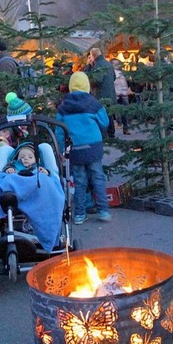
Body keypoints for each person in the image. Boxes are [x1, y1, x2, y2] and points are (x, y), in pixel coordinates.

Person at [55, 71, 112, 224]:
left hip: (75, 149)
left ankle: (80, 214)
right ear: (86, 85)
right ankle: (103, 210)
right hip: (93, 146)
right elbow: (105, 122)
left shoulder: (63, 106)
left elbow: (59, 130)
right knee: (98, 178)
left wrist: (62, 150)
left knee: (79, 182)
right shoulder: (93, 103)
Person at [85, 48, 116, 138]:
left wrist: (89, 80)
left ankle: (105, 134)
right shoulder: (108, 64)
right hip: (111, 93)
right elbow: (114, 77)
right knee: (109, 114)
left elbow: (97, 80)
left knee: (102, 115)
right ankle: (111, 134)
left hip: (101, 94)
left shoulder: (98, 65)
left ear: (93, 55)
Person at [112, 58, 131, 135]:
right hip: (116, 93)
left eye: (118, 63)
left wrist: (128, 89)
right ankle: (119, 123)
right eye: (114, 63)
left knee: (125, 111)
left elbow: (127, 82)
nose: (117, 65)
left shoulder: (123, 73)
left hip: (124, 93)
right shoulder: (111, 73)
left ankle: (125, 127)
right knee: (117, 111)